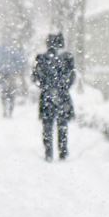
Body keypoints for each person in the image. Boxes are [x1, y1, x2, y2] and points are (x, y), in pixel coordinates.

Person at [32, 33, 75, 161]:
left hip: (47, 97)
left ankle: (48, 152)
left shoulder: (41, 58)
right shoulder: (67, 58)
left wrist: (47, 87)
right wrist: (62, 87)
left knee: (47, 126)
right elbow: (71, 77)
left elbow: (36, 77)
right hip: (63, 96)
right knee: (62, 125)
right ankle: (63, 151)